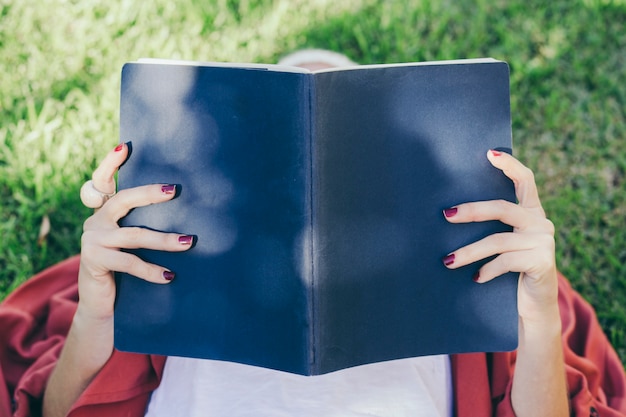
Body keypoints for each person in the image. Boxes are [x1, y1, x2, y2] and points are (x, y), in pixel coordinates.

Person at [1, 51, 625, 417]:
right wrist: (95, 314)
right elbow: (61, 411)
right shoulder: (178, 289)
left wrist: (541, 316)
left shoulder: (460, 286)